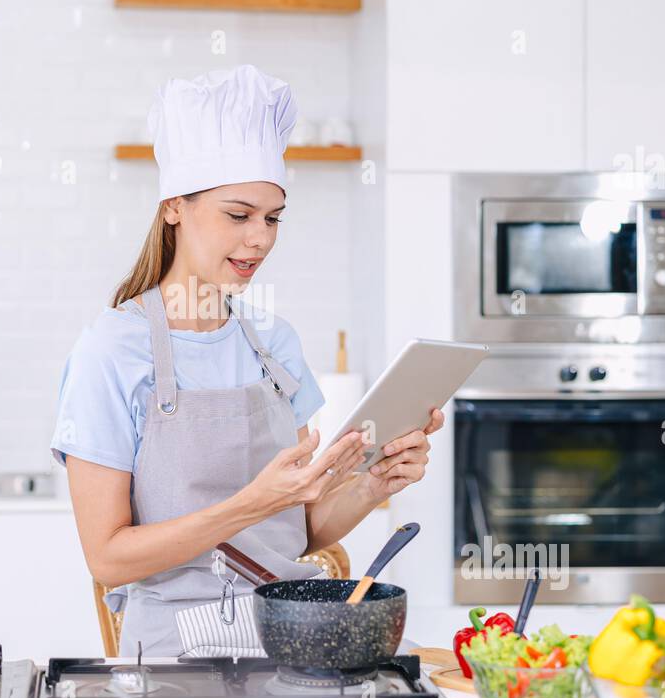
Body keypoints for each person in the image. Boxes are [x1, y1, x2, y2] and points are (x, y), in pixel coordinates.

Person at [50, 64, 444, 657]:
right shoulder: (112, 350)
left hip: (291, 632)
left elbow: (299, 528)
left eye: (272, 217)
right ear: (174, 208)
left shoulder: (274, 342)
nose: (260, 238)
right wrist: (247, 505)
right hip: (174, 652)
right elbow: (107, 556)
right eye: (238, 215)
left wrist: (372, 485)